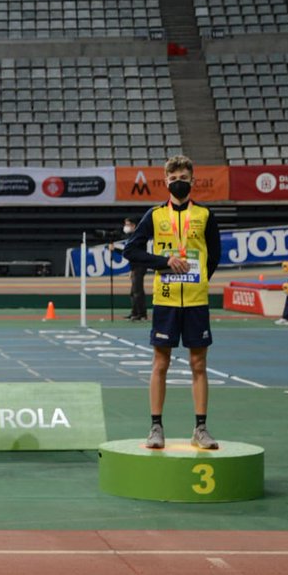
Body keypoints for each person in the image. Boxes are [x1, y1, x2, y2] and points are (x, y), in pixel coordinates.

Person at [122, 155, 222, 450]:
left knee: (198, 363)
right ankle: (155, 427)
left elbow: (214, 256)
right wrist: (164, 261)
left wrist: (199, 278)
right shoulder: (154, 216)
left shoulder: (205, 215)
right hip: (165, 299)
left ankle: (200, 429)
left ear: (193, 180)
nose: (179, 182)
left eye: (184, 177)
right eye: (174, 178)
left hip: (195, 300)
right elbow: (132, 251)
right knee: (160, 363)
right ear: (166, 181)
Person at [122, 218, 147, 321]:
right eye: (125, 224)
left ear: (133, 226)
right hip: (135, 267)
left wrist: (117, 250)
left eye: (128, 224)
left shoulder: (138, 237)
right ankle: (134, 312)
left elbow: (132, 253)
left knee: (138, 291)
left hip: (139, 266)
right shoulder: (131, 237)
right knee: (133, 292)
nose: (126, 226)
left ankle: (141, 314)